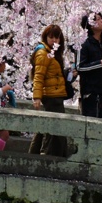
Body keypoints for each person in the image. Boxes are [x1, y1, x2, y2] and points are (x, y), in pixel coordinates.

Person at [29, 24, 69, 157]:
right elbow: (38, 76)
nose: (54, 40)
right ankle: (46, 156)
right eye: (51, 37)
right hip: (51, 96)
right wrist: (37, 97)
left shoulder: (52, 53)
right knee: (53, 129)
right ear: (45, 37)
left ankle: (35, 155)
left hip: (55, 94)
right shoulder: (43, 53)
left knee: (45, 128)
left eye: (56, 38)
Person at [77, 12, 102, 119]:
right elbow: (80, 67)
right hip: (91, 93)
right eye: (98, 19)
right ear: (90, 24)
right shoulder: (83, 44)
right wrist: (100, 63)